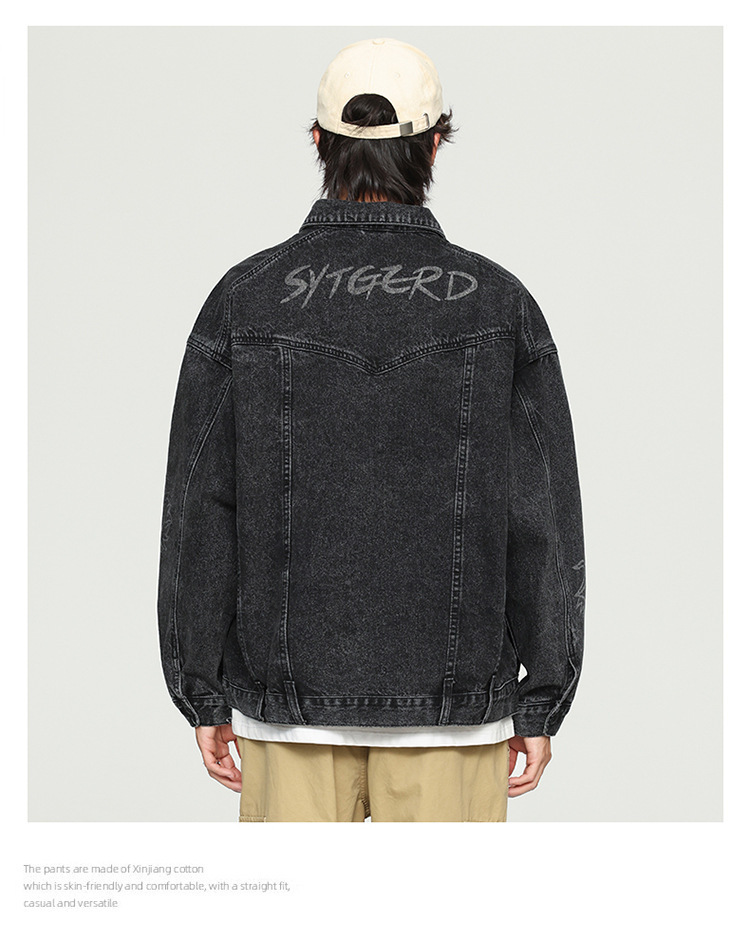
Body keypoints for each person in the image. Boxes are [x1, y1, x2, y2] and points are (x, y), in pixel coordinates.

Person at [157, 37, 586, 822]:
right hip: (454, 720)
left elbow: (200, 510)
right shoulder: (499, 304)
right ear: (435, 145)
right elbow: (542, 521)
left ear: (319, 142)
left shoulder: (245, 299)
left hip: (286, 712)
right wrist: (543, 698)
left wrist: (201, 689)